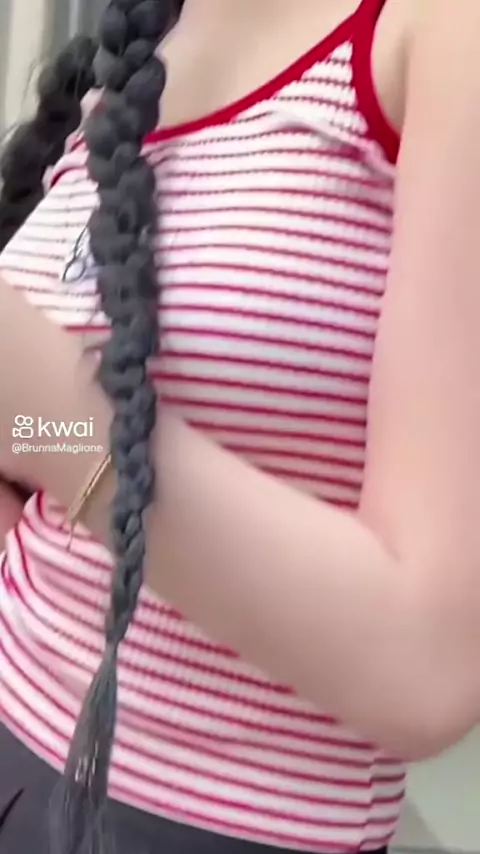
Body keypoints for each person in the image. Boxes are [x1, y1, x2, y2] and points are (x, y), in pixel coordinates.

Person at [0, 0, 480, 851]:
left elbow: (432, 668)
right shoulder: (143, 48)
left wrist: (53, 418)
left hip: (206, 822)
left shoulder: (442, 33)